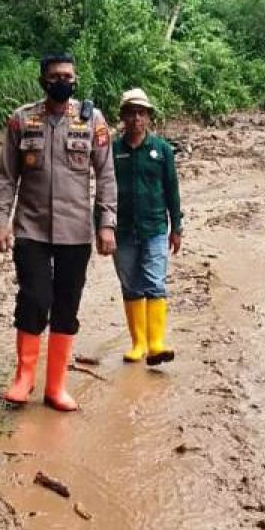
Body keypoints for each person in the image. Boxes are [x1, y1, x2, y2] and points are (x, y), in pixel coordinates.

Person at [0, 53, 117, 411]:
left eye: (67, 75)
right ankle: (24, 378)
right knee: (33, 297)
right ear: (42, 80)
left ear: (75, 79)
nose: (61, 80)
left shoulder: (91, 120)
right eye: (54, 76)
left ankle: (56, 386)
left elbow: (106, 176)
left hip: (75, 231)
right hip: (30, 227)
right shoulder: (22, 120)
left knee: (66, 305)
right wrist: (1, 221)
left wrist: (106, 223)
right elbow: (6, 175)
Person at [110, 88, 183, 365]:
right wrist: (100, 226)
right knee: (130, 284)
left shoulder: (161, 150)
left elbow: (172, 189)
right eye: (131, 113)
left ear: (149, 117)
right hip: (122, 229)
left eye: (141, 113)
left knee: (155, 282)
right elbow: (104, 191)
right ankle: (138, 343)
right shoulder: (112, 151)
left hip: (154, 227)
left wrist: (176, 227)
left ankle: (156, 343)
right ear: (123, 117)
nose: (136, 118)